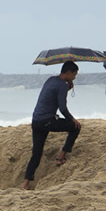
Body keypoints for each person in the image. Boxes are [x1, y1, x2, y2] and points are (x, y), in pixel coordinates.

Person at [22, 61, 82, 190]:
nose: (75, 77)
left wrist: (67, 86)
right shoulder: (61, 86)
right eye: (75, 74)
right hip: (47, 122)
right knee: (75, 127)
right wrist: (73, 119)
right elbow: (63, 108)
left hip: (36, 121)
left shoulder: (51, 80)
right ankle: (61, 157)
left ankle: (26, 183)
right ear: (69, 73)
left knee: (36, 153)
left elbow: (52, 95)